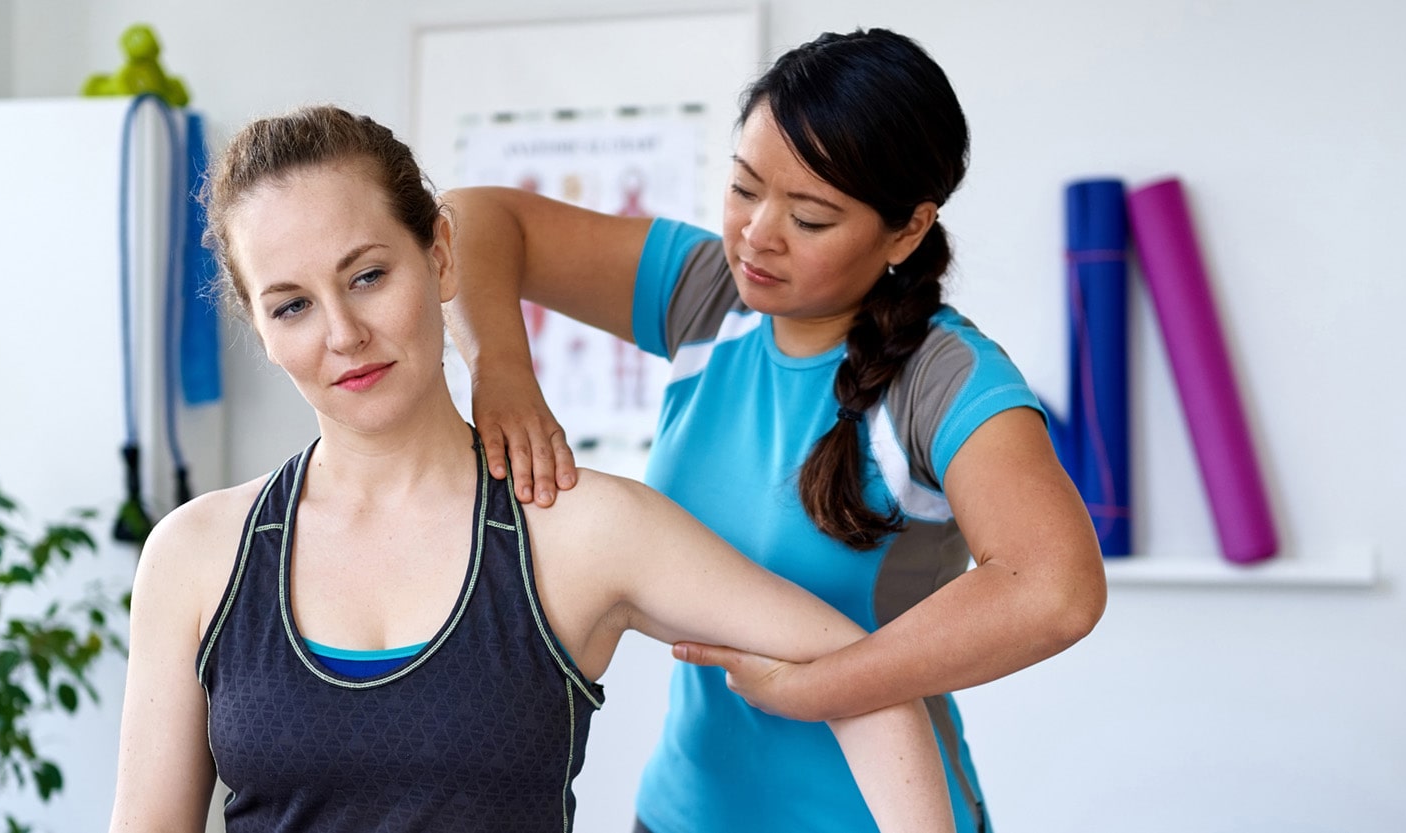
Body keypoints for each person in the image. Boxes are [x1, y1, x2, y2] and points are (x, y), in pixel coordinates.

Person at [107, 105, 953, 833]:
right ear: (258, 327)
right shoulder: (195, 555)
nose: (341, 333)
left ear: (439, 255)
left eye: (367, 276)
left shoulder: (577, 528)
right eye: (291, 304)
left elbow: (866, 677)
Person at [440, 28, 1109, 833]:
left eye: (812, 218)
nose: (758, 234)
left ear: (906, 230)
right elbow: (470, 220)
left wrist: (815, 688)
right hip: (682, 812)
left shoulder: (945, 378)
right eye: (744, 188)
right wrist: (501, 369)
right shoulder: (707, 297)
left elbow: (1056, 588)